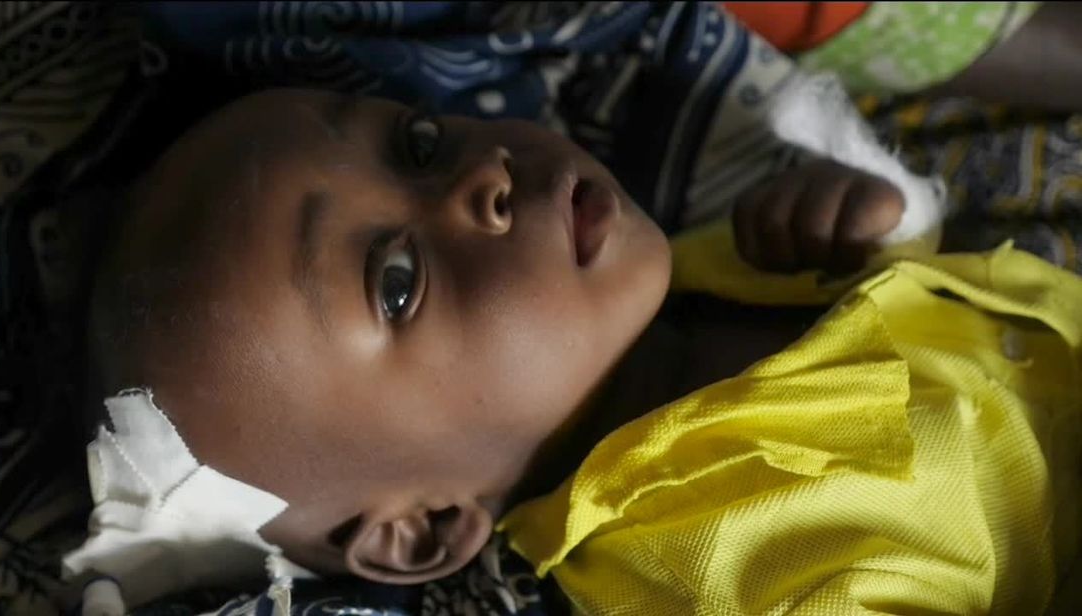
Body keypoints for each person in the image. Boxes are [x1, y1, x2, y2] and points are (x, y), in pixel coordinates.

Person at [61, 73, 1082, 615]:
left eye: (414, 143)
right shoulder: (719, 574)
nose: (481, 177)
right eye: (398, 283)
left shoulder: (711, 267)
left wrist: (875, 242)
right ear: (421, 531)